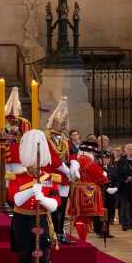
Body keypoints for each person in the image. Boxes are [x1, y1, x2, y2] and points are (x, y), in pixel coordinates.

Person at [9, 129, 60, 263]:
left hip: (43, 220)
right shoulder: (18, 177)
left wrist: (43, 199)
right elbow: (14, 198)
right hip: (23, 220)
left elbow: (56, 202)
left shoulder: (49, 177)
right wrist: (32, 190)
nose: (35, 168)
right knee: (24, 258)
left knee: (44, 257)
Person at [44, 98, 74, 245]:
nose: (61, 124)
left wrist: (74, 164)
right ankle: (51, 232)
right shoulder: (46, 137)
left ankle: (60, 232)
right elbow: (52, 157)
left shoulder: (64, 138)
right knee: (53, 206)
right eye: (59, 122)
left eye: (63, 122)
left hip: (65, 178)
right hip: (52, 177)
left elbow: (73, 152)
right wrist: (65, 168)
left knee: (62, 207)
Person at [66, 141, 107, 243]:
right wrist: (105, 173)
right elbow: (102, 180)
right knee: (86, 217)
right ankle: (83, 239)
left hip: (76, 191)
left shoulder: (76, 161)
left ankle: (81, 237)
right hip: (89, 192)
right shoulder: (90, 163)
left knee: (80, 216)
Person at [116, 144, 132, 230]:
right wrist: (126, 178)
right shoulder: (121, 161)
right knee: (124, 206)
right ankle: (125, 224)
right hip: (124, 186)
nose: (131, 151)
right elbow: (118, 173)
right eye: (129, 149)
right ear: (125, 151)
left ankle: (131, 222)